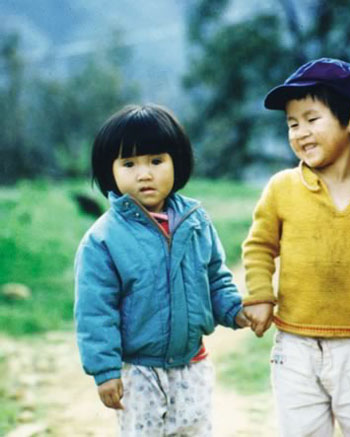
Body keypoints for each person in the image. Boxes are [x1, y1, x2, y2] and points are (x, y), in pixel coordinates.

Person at [242, 58, 350, 436]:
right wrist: (259, 295)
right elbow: (259, 246)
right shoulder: (282, 188)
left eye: (311, 119)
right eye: (292, 123)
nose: (299, 132)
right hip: (295, 344)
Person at [74, 104, 249, 436]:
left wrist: (234, 310)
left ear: (176, 162)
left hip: (192, 363)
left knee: (195, 429)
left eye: (156, 161)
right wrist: (105, 370)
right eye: (129, 164)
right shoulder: (103, 239)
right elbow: (95, 311)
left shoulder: (195, 221)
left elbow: (215, 276)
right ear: (110, 170)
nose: (145, 174)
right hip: (138, 370)